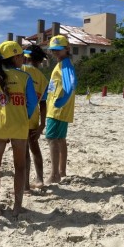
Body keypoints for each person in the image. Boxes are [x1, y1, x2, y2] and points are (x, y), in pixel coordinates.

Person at [0, 41, 37, 217]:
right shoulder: (25, 77)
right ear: (15, 57)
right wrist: (24, 117)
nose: (23, 58)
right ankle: (17, 207)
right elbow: (32, 103)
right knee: (20, 167)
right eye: (21, 56)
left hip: (0, 127)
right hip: (20, 127)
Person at [45, 35, 77, 184]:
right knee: (60, 139)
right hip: (58, 108)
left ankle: (54, 174)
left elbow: (71, 83)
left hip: (57, 109)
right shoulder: (63, 63)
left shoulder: (65, 64)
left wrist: (62, 100)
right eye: (53, 50)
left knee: (52, 139)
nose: (55, 52)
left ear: (67, 49)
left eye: (58, 49)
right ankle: (61, 170)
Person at [21, 45, 49, 191]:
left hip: (19, 116)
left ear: (26, 56)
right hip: (34, 118)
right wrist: (42, 124)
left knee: (24, 151)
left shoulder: (21, 70)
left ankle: (25, 184)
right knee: (34, 148)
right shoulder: (43, 79)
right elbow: (43, 104)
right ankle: (40, 179)